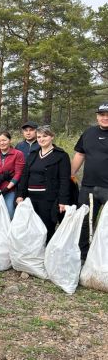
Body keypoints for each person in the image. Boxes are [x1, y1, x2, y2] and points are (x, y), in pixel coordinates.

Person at [16, 126, 70, 242]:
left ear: (52, 137)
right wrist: (20, 195)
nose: (41, 139)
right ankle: (35, 255)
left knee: (46, 227)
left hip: (48, 198)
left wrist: (63, 201)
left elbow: (64, 180)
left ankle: (48, 255)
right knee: (32, 228)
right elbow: (25, 176)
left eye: (45, 136)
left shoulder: (61, 156)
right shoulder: (33, 155)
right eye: (39, 136)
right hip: (30, 198)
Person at [71, 102, 108, 259]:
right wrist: (71, 174)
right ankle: (83, 256)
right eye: (102, 114)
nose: (105, 118)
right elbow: (80, 154)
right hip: (88, 187)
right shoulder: (88, 133)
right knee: (85, 222)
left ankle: (104, 257)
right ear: (97, 116)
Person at [0, 130, 25, 219]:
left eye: (4, 140)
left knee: (9, 213)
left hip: (9, 189)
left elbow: (18, 173)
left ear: (9, 140)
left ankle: (9, 232)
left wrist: (8, 188)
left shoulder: (18, 154)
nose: (2, 143)